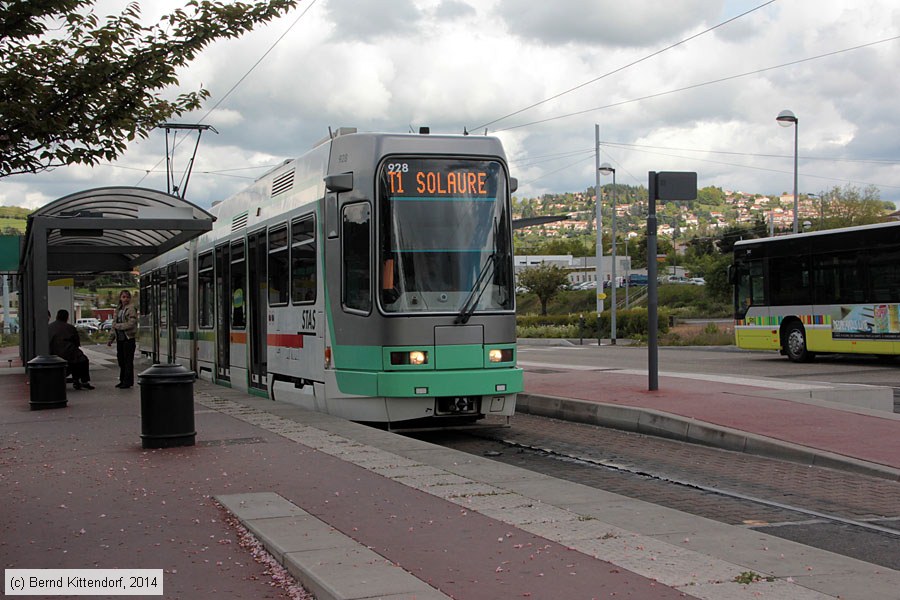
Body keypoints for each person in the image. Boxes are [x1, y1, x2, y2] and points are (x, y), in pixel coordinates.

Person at [48, 309, 94, 390]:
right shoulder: (70, 328)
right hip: (69, 353)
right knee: (82, 360)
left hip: (54, 354)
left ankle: (77, 381)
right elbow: (77, 342)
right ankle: (83, 381)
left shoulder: (50, 327)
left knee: (75, 358)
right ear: (67, 317)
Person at [107, 290, 137, 389]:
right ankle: (122, 379)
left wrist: (119, 326)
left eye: (127, 297)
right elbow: (113, 325)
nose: (125, 299)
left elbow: (131, 323)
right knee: (121, 360)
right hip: (120, 339)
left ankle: (128, 381)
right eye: (123, 297)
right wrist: (111, 338)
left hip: (128, 338)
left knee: (128, 361)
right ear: (120, 298)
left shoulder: (131, 309)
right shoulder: (118, 309)